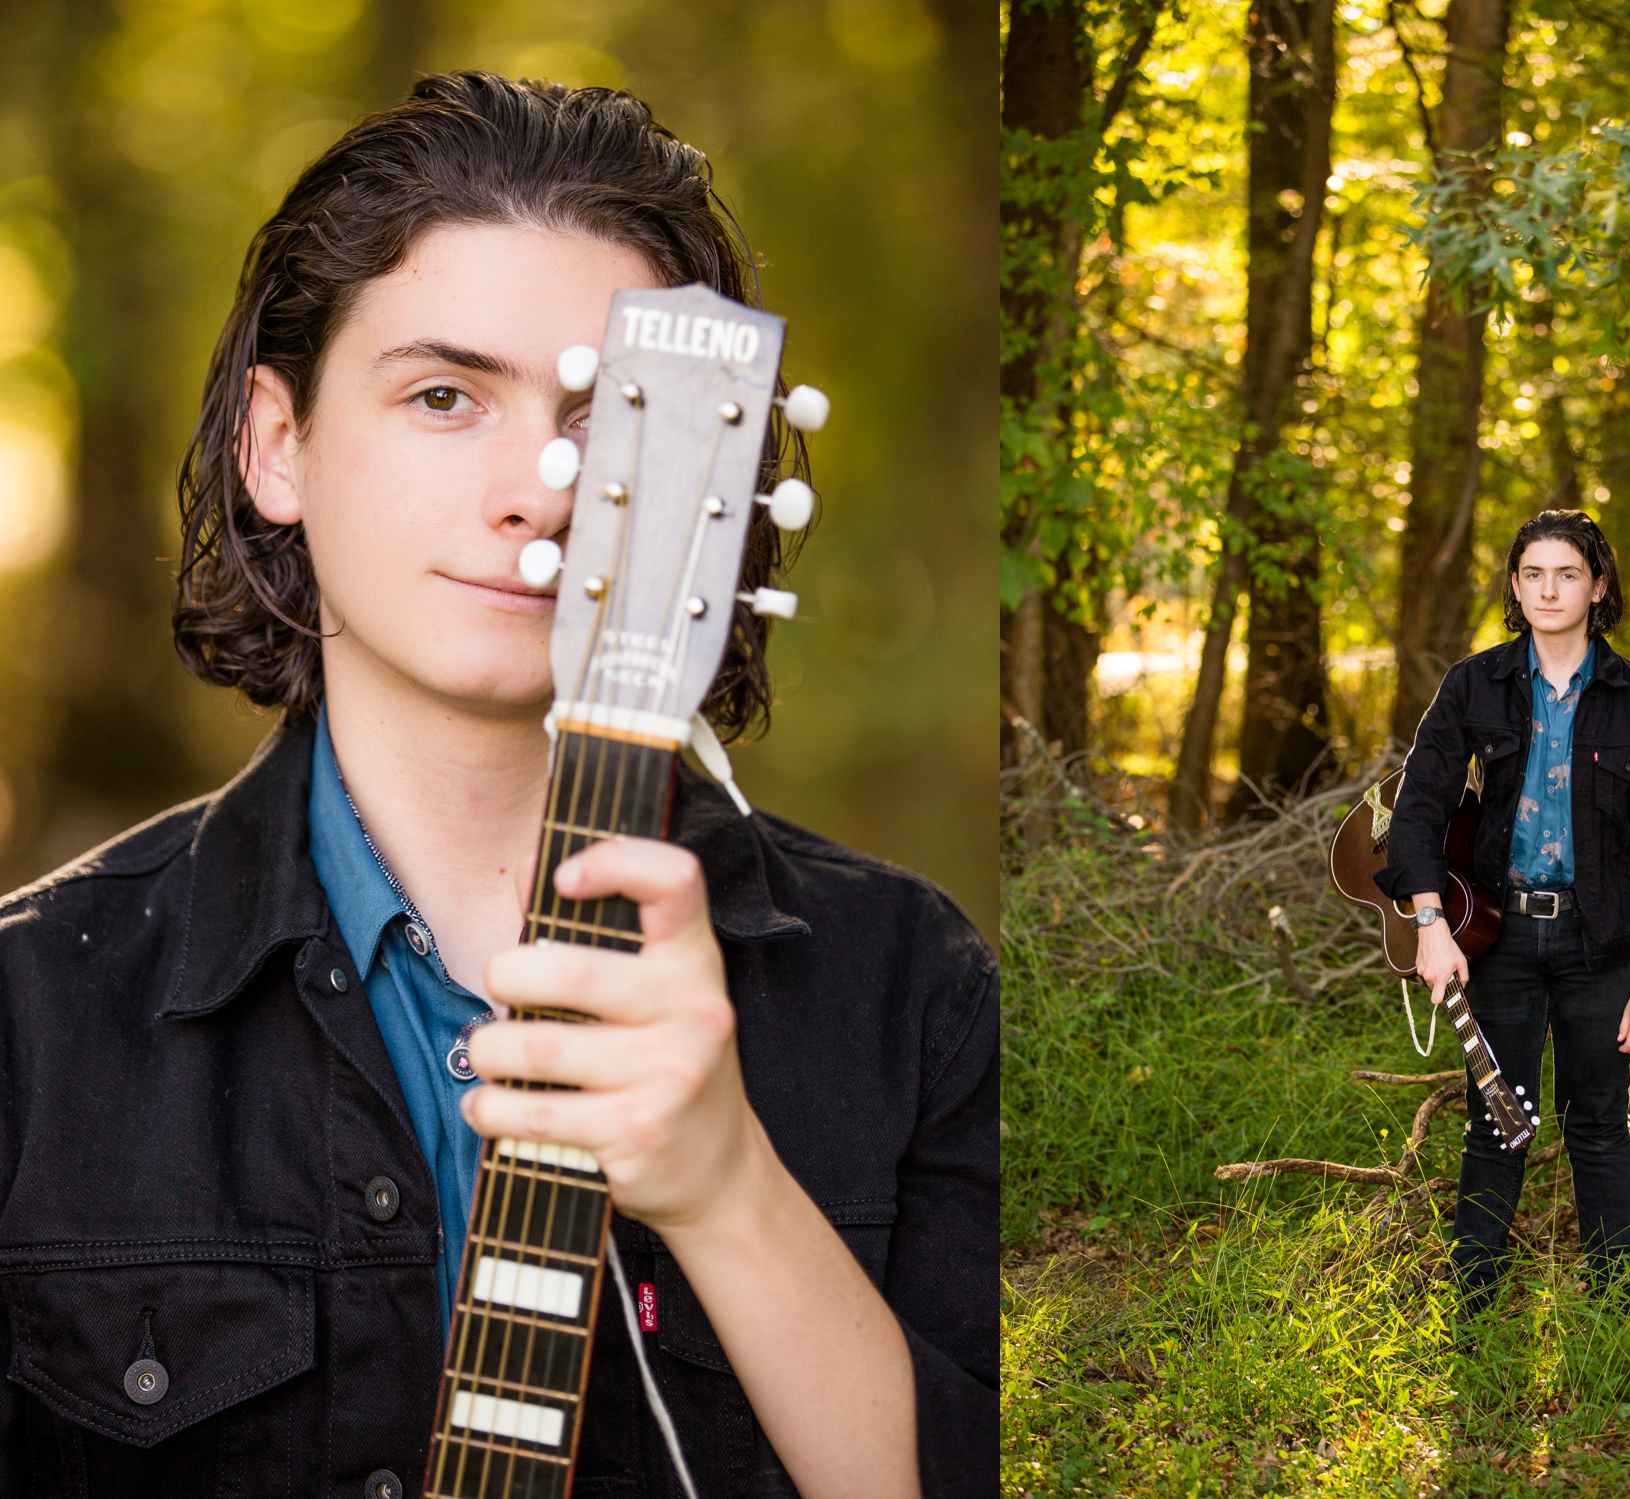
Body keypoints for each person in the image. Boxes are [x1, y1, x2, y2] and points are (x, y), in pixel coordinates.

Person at [0, 74, 996, 1499]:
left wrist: (731, 1191)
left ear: (716, 489)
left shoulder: (916, 987)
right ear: (276, 445)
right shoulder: (30, 1020)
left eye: (606, 419)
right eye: (445, 395)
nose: (539, 487)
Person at [1376, 509, 1630, 1317]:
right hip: (1500, 940)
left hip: (1606, 945)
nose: (1548, 589)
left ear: (1597, 586)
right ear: (1515, 587)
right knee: (1496, 1124)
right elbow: (1415, 812)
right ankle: (1474, 1319)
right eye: (1532, 574)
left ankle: (1611, 1316)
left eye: (1566, 574)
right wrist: (1430, 924)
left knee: (1597, 1126)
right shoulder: (1473, 684)